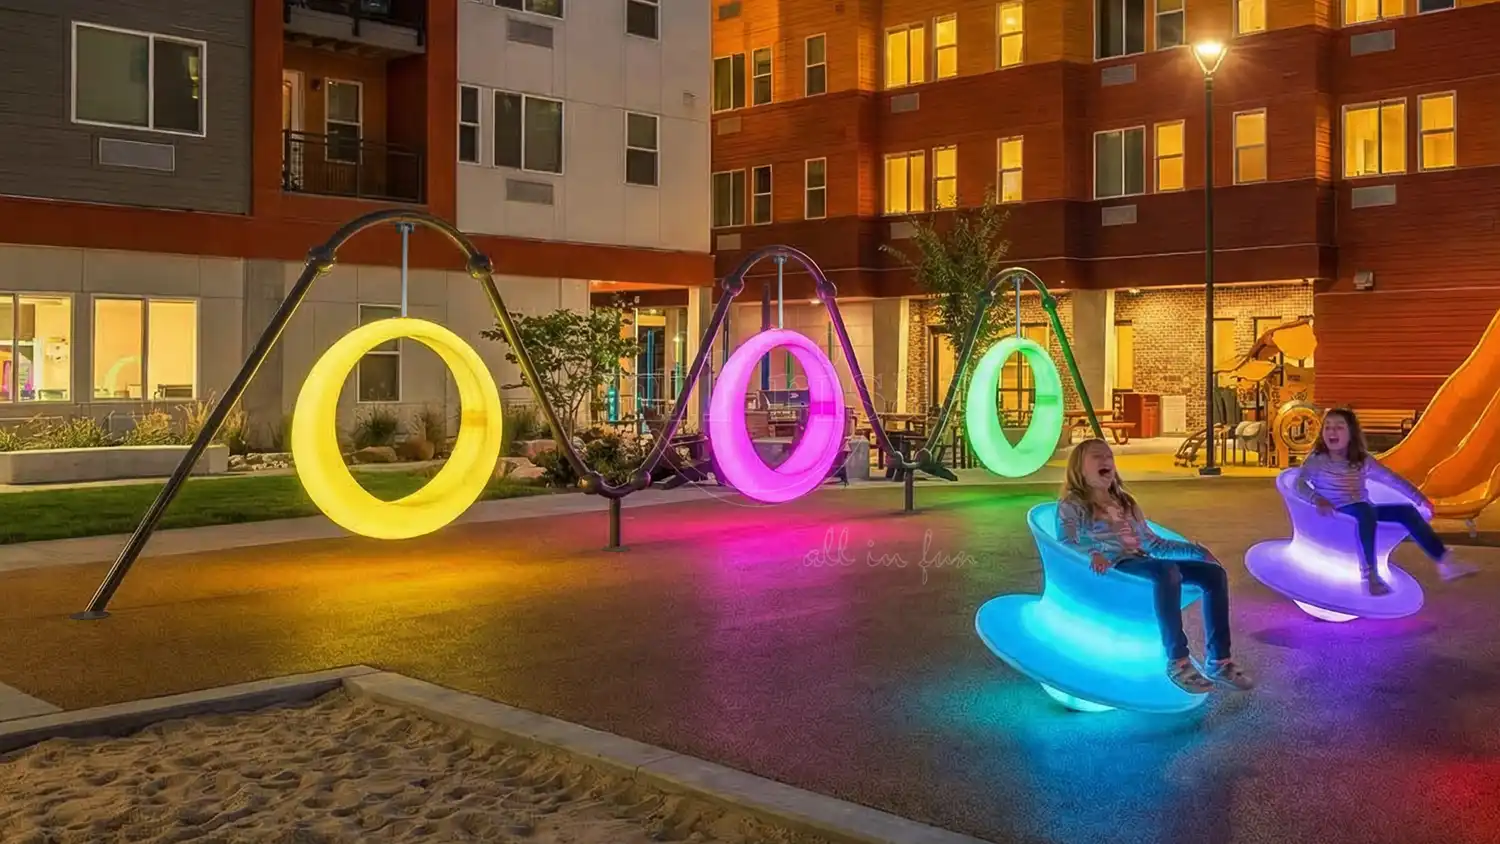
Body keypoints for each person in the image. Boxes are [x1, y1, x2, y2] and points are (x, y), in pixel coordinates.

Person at [1056, 438, 1252, 696]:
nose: (1106, 460)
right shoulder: (1073, 504)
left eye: (1109, 456)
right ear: (1079, 469)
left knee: (1213, 574)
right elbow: (1064, 542)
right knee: (1167, 570)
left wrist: (1196, 550)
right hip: (1114, 567)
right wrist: (1092, 553)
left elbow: (1154, 544)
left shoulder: (1125, 502)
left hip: (1142, 561)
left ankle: (1218, 661)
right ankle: (1178, 660)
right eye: (1097, 456)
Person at [1294, 407, 1475, 595]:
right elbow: (1299, 483)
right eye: (1328, 427)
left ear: (1351, 434)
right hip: (1335, 512)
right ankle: (1370, 575)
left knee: (1406, 512)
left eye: (1339, 427)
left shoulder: (1362, 460)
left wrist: (1419, 498)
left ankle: (1444, 561)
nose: (1332, 431)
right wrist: (1317, 499)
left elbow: (1391, 479)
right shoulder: (1317, 460)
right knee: (1365, 510)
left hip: (1361, 510)